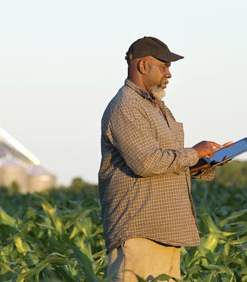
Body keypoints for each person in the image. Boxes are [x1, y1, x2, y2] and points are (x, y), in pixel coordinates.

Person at [98, 36, 231, 281]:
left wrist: (206, 161)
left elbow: (167, 163)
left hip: (166, 230)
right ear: (143, 66)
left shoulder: (156, 107)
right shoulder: (126, 106)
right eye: (164, 66)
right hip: (140, 231)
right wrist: (194, 152)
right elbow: (146, 163)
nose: (169, 74)